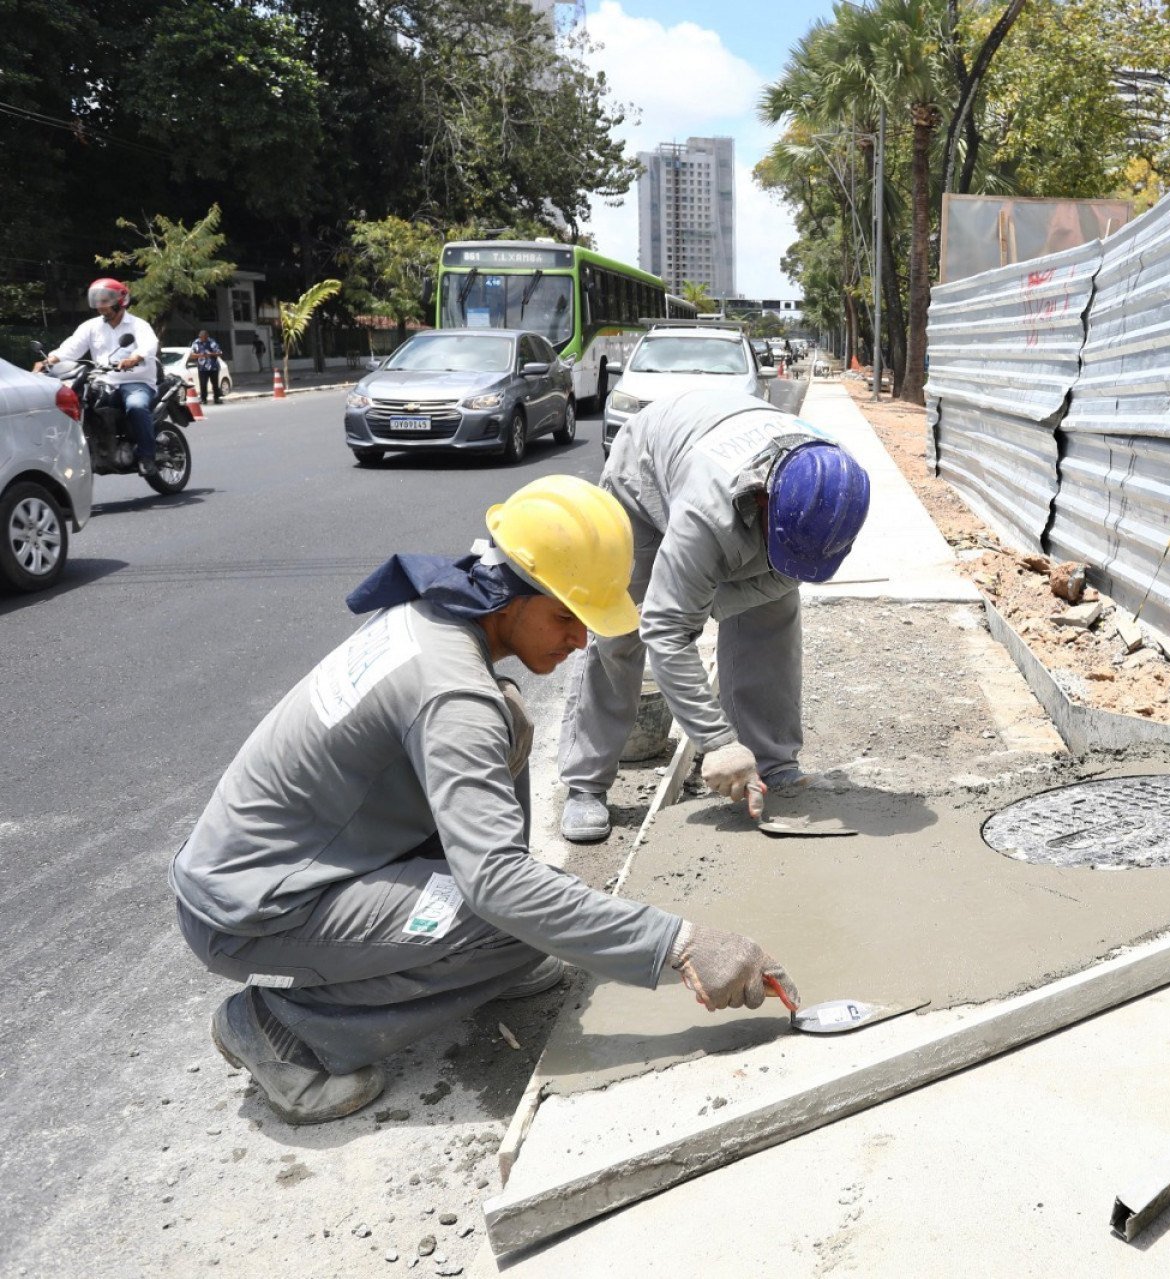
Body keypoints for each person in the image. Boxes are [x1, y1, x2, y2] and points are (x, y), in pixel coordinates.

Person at [171, 475, 796, 1125]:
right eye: (566, 617)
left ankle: (465, 952)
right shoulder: (452, 693)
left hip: (289, 861)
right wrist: (683, 943)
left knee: (512, 727)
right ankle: (286, 1028)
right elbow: (498, 885)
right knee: (509, 917)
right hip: (253, 908)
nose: (580, 640)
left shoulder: (439, 613)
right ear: (513, 597)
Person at [557, 388, 872, 843]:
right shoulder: (706, 515)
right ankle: (586, 782)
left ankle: (772, 762)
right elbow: (665, 629)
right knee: (622, 624)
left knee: (772, 616)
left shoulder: (836, 490)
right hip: (646, 470)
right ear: (766, 503)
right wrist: (717, 742)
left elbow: (788, 576)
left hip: (731, 461)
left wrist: (707, 604)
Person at [36, 277, 160, 475]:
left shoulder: (138, 325)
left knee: (136, 406)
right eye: (98, 300)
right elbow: (71, 348)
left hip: (135, 380)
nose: (101, 305)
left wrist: (135, 357)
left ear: (121, 301)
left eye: (106, 300)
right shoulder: (91, 327)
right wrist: (48, 361)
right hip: (103, 381)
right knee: (77, 405)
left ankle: (147, 456)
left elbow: (149, 344)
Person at [188, 329, 225, 404]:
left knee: (215, 383)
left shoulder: (212, 342)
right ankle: (203, 399)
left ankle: (216, 398)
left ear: (207, 336)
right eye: (201, 337)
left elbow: (219, 353)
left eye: (204, 337)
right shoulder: (196, 343)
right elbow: (191, 355)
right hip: (202, 367)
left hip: (213, 367)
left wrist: (210, 354)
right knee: (203, 383)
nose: (202, 339)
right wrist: (200, 355)